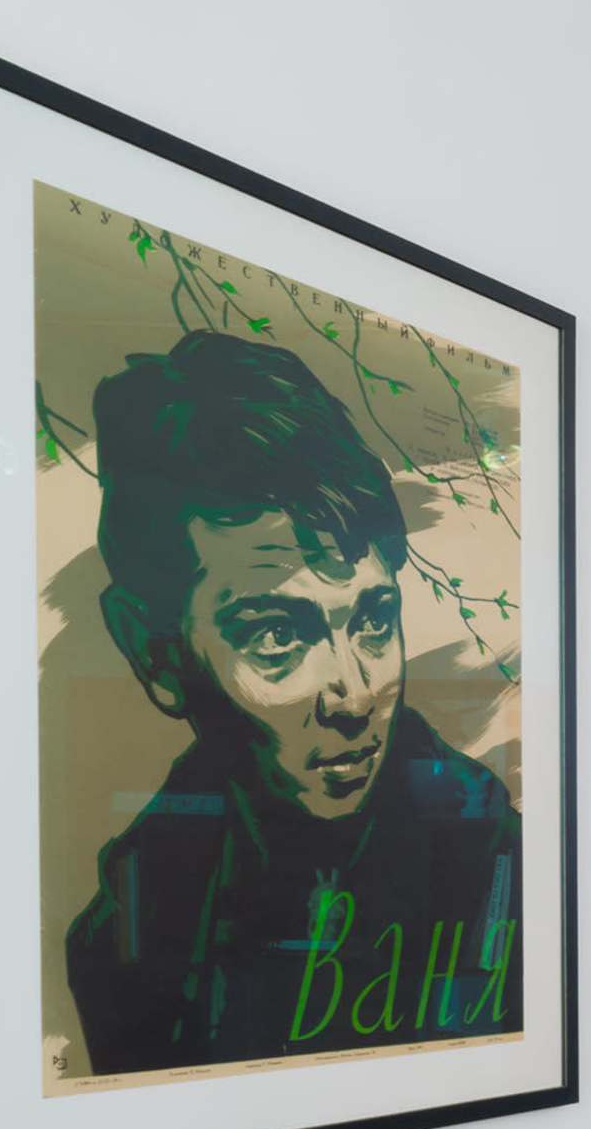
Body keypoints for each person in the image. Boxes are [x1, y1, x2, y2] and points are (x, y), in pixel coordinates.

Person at [62, 328, 523, 1077]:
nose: (356, 693)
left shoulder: (497, 860)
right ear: (154, 652)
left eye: (375, 620)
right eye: (277, 634)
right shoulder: (129, 933)